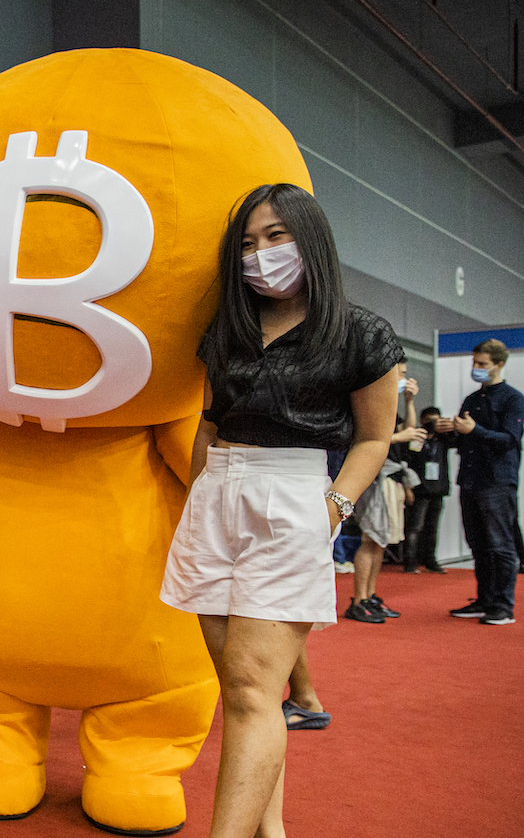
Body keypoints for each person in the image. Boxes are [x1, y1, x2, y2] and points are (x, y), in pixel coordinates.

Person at [159, 183, 401, 838]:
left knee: (248, 686)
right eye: (247, 243)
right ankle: (272, 830)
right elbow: (210, 421)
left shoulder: (362, 332)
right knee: (246, 694)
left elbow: (374, 437)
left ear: (309, 240)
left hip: (294, 490)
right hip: (217, 493)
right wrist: (199, 496)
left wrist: (331, 509)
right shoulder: (230, 329)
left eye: (274, 237)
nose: (260, 254)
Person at [439, 338, 523, 625]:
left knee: (500, 545)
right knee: (478, 544)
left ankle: (503, 605)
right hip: (471, 479)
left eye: (482, 364)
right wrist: (449, 431)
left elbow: (510, 440)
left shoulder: (513, 399)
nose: (476, 368)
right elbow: (463, 440)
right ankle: (484, 599)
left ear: (499, 365)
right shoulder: (472, 400)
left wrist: (474, 430)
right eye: (474, 363)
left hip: (498, 480)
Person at [345, 402, 426, 623]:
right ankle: (358, 600)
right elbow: (364, 440)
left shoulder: (392, 407)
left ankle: (370, 596)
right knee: (369, 538)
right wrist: (399, 437)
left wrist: (410, 400)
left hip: (392, 481)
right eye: (401, 373)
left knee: (381, 542)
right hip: (374, 482)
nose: (402, 377)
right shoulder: (367, 407)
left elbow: (409, 432)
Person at [403, 405, 452, 574]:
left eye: (436, 420)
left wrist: (449, 427)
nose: (433, 424)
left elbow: (458, 440)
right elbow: (408, 460)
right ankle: (410, 561)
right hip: (420, 489)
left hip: (438, 489)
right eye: (430, 420)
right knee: (415, 527)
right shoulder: (417, 437)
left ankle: (430, 560)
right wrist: (408, 487)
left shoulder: (443, 439)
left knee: (432, 527)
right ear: (422, 420)